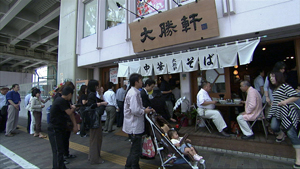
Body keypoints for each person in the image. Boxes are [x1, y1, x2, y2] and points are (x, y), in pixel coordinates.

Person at [267, 71, 300, 169]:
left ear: (278, 77)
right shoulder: (274, 88)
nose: (271, 79)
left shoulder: (285, 86)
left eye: (273, 77)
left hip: (287, 112)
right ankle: (281, 133)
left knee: (291, 133)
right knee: (273, 126)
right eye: (270, 77)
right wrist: (275, 102)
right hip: (277, 112)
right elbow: (278, 98)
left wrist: (285, 101)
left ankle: (298, 158)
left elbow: (296, 96)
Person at [123, 73, 154, 169]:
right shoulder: (134, 93)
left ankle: (128, 166)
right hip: (134, 125)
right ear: (136, 82)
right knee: (136, 149)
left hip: (133, 124)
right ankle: (134, 166)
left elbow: (136, 108)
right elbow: (135, 110)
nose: (142, 82)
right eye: (141, 80)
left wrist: (144, 109)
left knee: (134, 148)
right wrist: (145, 111)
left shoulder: (134, 92)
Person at [48, 86, 78, 169]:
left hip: (59, 128)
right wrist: (73, 108)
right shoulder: (60, 100)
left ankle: (61, 166)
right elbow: (69, 112)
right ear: (69, 94)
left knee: (60, 150)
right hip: (54, 129)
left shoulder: (64, 101)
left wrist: (75, 125)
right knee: (57, 150)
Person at [87, 79, 108, 165]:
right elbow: (92, 105)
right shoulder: (91, 94)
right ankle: (95, 159)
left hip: (93, 120)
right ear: (95, 86)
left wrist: (101, 94)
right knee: (96, 139)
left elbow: (100, 100)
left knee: (94, 138)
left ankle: (92, 156)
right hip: (95, 120)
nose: (98, 87)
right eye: (97, 85)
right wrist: (102, 104)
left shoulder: (91, 94)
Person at [264, 61, 286, 134]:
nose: (283, 70)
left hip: (281, 101)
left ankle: (281, 131)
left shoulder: (283, 77)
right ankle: (272, 129)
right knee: (270, 115)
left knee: (280, 116)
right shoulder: (270, 76)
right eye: (282, 69)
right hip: (271, 99)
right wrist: (267, 97)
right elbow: (265, 87)